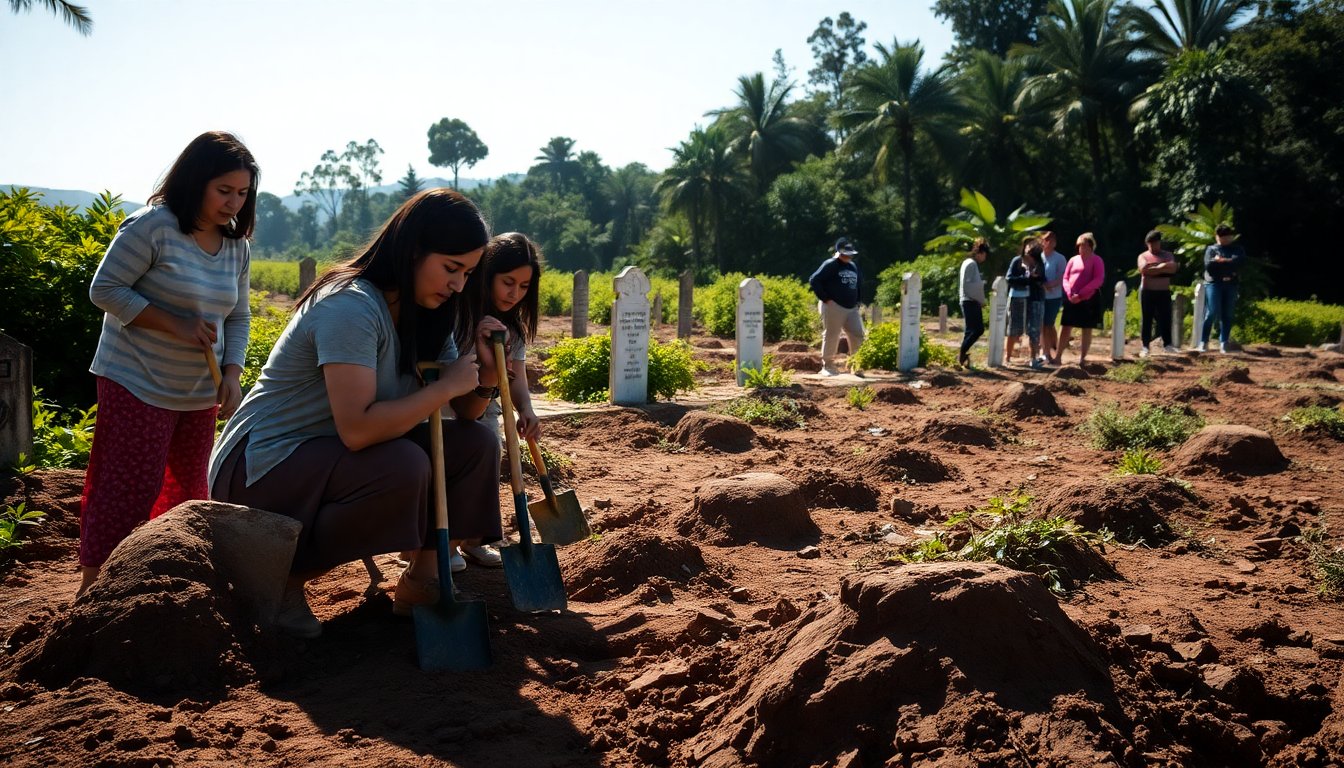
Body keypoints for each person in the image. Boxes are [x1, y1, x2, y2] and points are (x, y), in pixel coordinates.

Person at [209, 188, 507, 638]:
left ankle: (423, 582)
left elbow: (464, 410)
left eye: (467, 273)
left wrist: (483, 374)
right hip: (261, 467)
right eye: (451, 268)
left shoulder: (428, 310)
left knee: (476, 443)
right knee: (404, 465)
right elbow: (358, 430)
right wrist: (446, 385)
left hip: (329, 460)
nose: (459, 286)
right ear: (412, 251)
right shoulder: (349, 304)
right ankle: (282, 580)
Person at [78, 131, 258, 599]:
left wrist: (234, 374)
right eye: (224, 190)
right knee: (128, 489)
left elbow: (238, 314)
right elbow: (105, 290)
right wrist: (173, 324)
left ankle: (167, 585)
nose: (233, 203)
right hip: (136, 379)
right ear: (196, 181)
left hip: (198, 389)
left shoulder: (236, 245)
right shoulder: (152, 227)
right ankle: (96, 587)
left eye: (242, 193)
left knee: (188, 492)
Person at [459, 232, 545, 570]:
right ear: (487, 275)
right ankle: (438, 543)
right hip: (450, 405)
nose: (515, 293)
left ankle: (475, 539)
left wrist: (526, 409)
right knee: (452, 470)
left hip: (488, 408)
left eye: (524, 287)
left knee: (487, 463)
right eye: (508, 282)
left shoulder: (514, 329)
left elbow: (518, 380)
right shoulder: (462, 317)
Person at [809, 237, 865, 376]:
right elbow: (814, 280)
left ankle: (855, 365)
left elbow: (858, 285)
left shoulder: (853, 266)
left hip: (851, 308)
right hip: (833, 306)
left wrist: (858, 301)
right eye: (846, 253)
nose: (849, 256)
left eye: (850, 253)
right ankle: (827, 366)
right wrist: (826, 299)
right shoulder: (831, 264)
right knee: (832, 334)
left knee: (858, 334)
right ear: (839, 252)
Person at [1056, 233, 1106, 366]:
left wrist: (1082, 294)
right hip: (1071, 298)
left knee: (1086, 328)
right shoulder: (1073, 260)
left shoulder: (1097, 260)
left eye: (1083, 245)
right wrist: (1069, 292)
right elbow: (1065, 277)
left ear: (1090, 246)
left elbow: (1098, 279)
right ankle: (1058, 356)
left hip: (1088, 298)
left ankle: (1083, 358)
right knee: (1066, 326)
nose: (1081, 248)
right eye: (1079, 246)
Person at [1199, 224, 1245, 353]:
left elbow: (1240, 262)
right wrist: (1229, 262)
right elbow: (1210, 266)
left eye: (1226, 236)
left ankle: (1224, 341)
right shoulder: (1211, 249)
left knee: (1228, 313)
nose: (1224, 239)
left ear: (1231, 237)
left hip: (1231, 284)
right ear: (1216, 237)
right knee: (1212, 312)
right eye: (1221, 236)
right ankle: (1204, 341)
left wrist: (1221, 261)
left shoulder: (1237, 249)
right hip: (1214, 283)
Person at [1005, 237, 1047, 369]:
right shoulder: (1017, 261)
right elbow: (1009, 278)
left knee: (1034, 330)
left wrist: (1035, 278)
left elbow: (1042, 279)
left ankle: (1033, 358)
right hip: (1018, 298)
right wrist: (1026, 279)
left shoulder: (1039, 263)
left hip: (1035, 299)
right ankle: (1007, 357)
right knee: (1013, 329)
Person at [1136, 230, 1179, 357]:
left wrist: (1155, 267)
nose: (1154, 246)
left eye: (1155, 243)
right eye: (1151, 244)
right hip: (1148, 291)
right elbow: (1144, 269)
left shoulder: (1167, 255)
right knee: (1147, 319)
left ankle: (1168, 344)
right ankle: (1145, 346)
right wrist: (1162, 267)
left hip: (1163, 291)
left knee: (1165, 318)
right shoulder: (1143, 256)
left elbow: (1173, 267)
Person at [958, 239, 989, 368]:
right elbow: (969, 285)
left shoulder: (967, 262)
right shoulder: (972, 264)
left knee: (970, 330)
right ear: (980, 253)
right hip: (970, 300)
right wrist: (980, 299)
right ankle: (962, 353)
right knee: (978, 329)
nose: (985, 258)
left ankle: (963, 358)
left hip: (968, 299)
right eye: (985, 255)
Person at [1039, 231, 1068, 364]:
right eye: (1046, 240)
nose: (1048, 243)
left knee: (1049, 324)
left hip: (1054, 296)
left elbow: (1062, 276)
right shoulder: (1038, 257)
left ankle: (1051, 348)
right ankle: (1045, 352)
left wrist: (1051, 284)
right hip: (1039, 295)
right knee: (1041, 324)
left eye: (1051, 240)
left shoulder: (1060, 258)